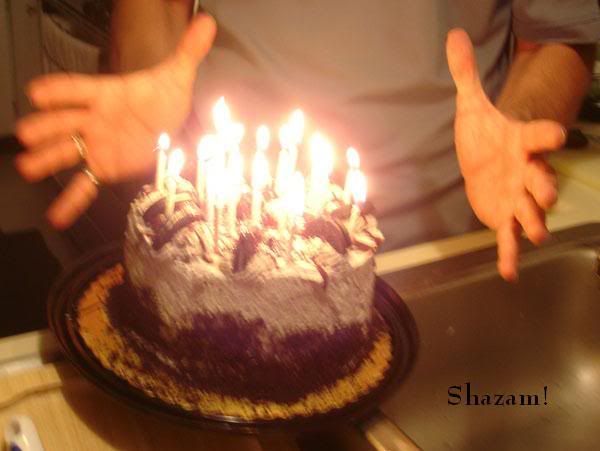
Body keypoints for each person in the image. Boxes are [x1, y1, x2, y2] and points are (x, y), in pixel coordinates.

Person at [14, 1, 599, 281]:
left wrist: (520, 120)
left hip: (438, 261)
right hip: (213, 255)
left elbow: (556, 35)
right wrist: (150, 76)